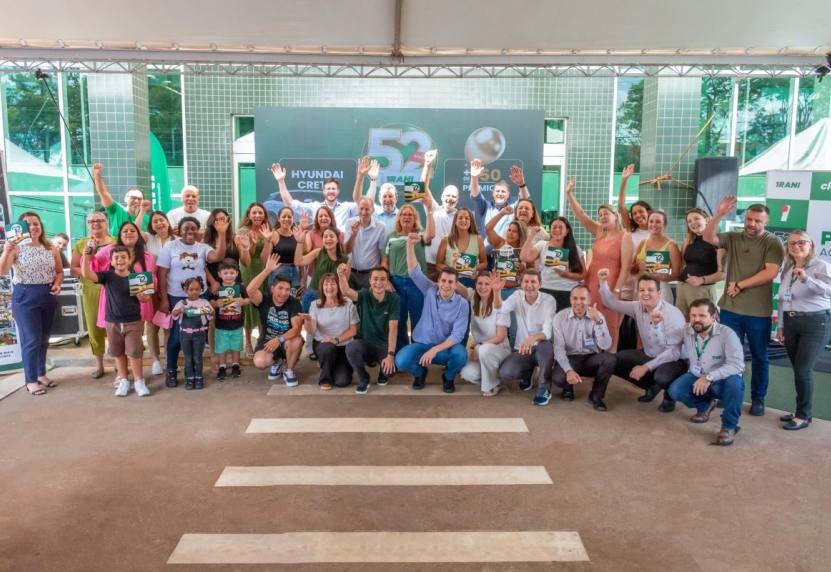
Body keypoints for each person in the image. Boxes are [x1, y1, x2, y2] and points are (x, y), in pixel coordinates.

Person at [703, 197, 784, 416]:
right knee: (728, 355)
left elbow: (770, 272)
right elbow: (708, 237)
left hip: (758, 313)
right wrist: (718, 214)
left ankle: (758, 398)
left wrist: (739, 284)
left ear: (765, 222)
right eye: (749, 219)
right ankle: (729, 393)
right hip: (730, 310)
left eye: (758, 221)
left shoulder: (773, 242)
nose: (752, 224)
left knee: (759, 356)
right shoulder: (733, 237)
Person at [598, 270, 687, 411]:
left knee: (662, 377)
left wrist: (646, 367)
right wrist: (603, 283)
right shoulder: (637, 306)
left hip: (674, 359)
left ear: (659, 293)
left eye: (650, 290)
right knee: (614, 360)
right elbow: (611, 303)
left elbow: (674, 352)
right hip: (650, 353)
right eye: (642, 290)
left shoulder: (673, 314)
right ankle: (652, 386)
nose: (645, 293)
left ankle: (669, 398)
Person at [157, 216, 226, 388]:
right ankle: (171, 370)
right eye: (186, 228)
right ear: (179, 230)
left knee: (197, 334)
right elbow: (162, 274)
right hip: (177, 297)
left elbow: (217, 256)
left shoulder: (202, 248)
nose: (190, 231)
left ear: (198, 231)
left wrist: (222, 234)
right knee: (176, 336)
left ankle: (195, 373)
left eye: (193, 228)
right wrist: (164, 298)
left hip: (200, 298)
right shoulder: (170, 247)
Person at [395, 234, 469, 392]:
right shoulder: (430, 289)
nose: (446, 285)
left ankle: (448, 377)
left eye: (450, 282)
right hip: (423, 344)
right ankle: (420, 373)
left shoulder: (462, 304)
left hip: (445, 348)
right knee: (401, 361)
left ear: (456, 285)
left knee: (461, 356)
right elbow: (414, 271)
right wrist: (409, 245)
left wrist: (435, 350)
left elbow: (458, 335)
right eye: (443, 281)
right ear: (438, 281)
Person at [567, 177, 633, 351]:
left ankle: (609, 359)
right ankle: (589, 354)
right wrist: (569, 194)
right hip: (590, 283)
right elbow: (581, 214)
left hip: (610, 286)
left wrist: (616, 291)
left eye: (606, 214)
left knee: (609, 321)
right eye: (600, 214)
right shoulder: (599, 232)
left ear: (615, 216)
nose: (603, 217)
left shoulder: (624, 236)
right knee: (588, 318)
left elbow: (626, 267)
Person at [668, 299, 745, 446]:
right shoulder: (687, 329)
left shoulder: (727, 334)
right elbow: (666, 341)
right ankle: (705, 406)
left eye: (702, 316)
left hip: (723, 378)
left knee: (735, 385)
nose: (697, 320)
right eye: (693, 315)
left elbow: (737, 365)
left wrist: (709, 377)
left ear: (713, 316)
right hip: (697, 375)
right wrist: (657, 324)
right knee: (675, 391)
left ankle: (729, 426)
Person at [1, 211, 62, 395]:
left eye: (36, 223)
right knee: (32, 340)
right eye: (28, 224)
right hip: (25, 295)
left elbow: (59, 271)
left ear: (40, 226)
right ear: (21, 229)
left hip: (47, 294)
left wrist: (58, 284)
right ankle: (30, 380)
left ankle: (41, 373)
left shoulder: (50, 247)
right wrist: (6, 251)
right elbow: (2, 271)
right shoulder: (16, 248)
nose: (33, 227)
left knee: (44, 339)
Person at [775, 230, 831, 431]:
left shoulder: (821, 265)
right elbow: (783, 300)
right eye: (791, 244)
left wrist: (807, 279)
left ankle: (803, 415)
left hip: (815, 323)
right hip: (791, 324)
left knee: (803, 370)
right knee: (799, 371)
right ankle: (800, 410)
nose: (796, 246)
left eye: (801, 242)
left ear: (811, 245)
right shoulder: (788, 269)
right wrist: (780, 326)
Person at [81, 245, 151, 397]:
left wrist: (142, 296)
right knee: (118, 352)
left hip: (133, 321)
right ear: (111, 261)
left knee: (134, 352)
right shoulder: (108, 276)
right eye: (116, 258)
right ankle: (124, 381)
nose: (120, 260)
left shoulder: (137, 277)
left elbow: (146, 298)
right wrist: (87, 257)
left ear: (129, 260)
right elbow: (87, 273)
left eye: (123, 257)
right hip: (112, 322)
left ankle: (139, 381)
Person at [547, 286, 615, 411]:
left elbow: (606, 346)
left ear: (589, 300)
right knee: (558, 378)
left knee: (610, 359)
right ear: (570, 299)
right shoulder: (559, 317)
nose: (578, 302)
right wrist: (568, 370)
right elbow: (558, 348)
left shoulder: (597, 315)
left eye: (583, 298)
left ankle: (596, 395)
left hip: (591, 358)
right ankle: (568, 388)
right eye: (575, 298)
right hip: (570, 358)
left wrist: (598, 323)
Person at [382, 197, 435, 352]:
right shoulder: (391, 236)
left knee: (418, 319)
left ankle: (418, 354)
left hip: (417, 283)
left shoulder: (420, 234)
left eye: (410, 215)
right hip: (396, 283)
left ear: (415, 219)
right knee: (399, 320)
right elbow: (384, 262)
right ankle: (402, 354)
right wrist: (386, 281)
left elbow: (430, 235)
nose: (406, 217)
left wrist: (429, 210)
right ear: (399, 218)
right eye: (403, 214)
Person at [338, 264, 399, 395]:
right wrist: (341, 276)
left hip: (384, 345)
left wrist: (390, 355)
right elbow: (346, 291)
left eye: (382, 279)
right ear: (370, 281)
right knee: (351, 347)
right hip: (365, 343)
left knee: (391, 371)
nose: (378, 282)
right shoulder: (364, 294)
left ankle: (382, 373)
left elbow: (393, 328)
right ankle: (363, 378)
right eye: (375, 279)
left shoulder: (394, 298)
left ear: (387, 281)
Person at [496, 269, 557, 400]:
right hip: (523, 347)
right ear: (521, 283)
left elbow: (547, 331)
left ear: (540, 284)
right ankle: (527, 373)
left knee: (546, 346)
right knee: (506, 373)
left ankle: (544, 389)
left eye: (533, 282)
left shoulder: (549, 300)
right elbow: (501, 309)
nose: (529, 285)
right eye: (526, 281)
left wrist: (533, 338)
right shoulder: (516, 295)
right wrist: (496, 292)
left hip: (542, 346)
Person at [247, 254, 304, 387]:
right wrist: (267, 270)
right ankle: (276, 362)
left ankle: (289, 370)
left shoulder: (294, 303)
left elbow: (296, 329)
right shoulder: (264, 300)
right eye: (280, 288)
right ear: (272, 288)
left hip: (285, 341)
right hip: (267, 341)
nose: (284, 293)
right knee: (260, 362)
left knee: (297, 340)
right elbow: (250, 290)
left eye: (287, 290)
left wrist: (279, 339)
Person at [70, 211, 114, 379]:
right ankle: (100, 365)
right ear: (87, 224)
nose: (96, 224)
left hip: (113, 289)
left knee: (114, 327)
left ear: (107, 222)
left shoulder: (117, 241)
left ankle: (119, 363)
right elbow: (74, 268)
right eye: (91, 221)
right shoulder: (82, 244)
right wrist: (88, 269)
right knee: (94, 327)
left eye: (100, 220)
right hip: (91, 290)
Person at [302, 273, 359, 389]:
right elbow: (311, 330)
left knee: (342, 382)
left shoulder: (348, 303)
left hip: (343, 345)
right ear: (321, 288)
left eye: (333, 283)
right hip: (323, 344)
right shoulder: (315, 304)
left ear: (338, 287)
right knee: (327, 348)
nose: (329, 287)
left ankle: (333, 365)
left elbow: (354, 330)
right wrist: (307, 321)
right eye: (326, 284)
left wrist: (336, 340)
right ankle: (325, 379)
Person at [458, 271, 511, 396]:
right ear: (475, 284)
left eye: (487, 284)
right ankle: (495, 376)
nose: (483, 287)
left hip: (498, 350)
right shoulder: (473, 297)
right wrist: (454, 265)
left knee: (485, 350)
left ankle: (492, 384)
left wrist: (478, 346)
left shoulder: (500, 305)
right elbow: (454, 282)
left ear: (492, 285)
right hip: (480, 351)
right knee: (467, 374)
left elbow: (500, 337)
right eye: (480, 283)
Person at [520, 215, 584, 310]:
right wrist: (531, 235)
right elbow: (524, 257)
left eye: (560, 227)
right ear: (550, 230)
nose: (557, 229)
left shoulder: (575, 249)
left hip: (567, 291)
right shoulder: (542, 245)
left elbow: (583, 275)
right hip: (545, 290)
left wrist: (567, 275)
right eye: (554, 227)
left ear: (567, 231)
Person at [272, 162, 357, 230]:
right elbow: (289, 203)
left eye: (333, 189)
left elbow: (367, 205)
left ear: (338, 191)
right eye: (328, 189)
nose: (331, 191)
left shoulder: (346, 207)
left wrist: (371, 180)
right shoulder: (315, 206)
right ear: (323, 191)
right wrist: (281, 181)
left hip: (342, 248)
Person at [469, 159, 530, 251]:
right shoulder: (486, 206)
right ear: (493, 193)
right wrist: (474, 177)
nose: (500, 193)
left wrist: (521, 184)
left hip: (506, 256)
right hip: (486, 256)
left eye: (503, 191)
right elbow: (475, 194)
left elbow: (524, 200)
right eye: (497, 191)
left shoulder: (512, 207)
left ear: (508, 194)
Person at [676, 208, 724, 318]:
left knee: (702, 326)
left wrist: (701, 280)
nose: (693, 222)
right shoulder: (687, 241)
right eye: (689, 221)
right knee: (683, 325)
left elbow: (723, 273)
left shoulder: (717, 241)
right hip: (683, 288)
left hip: (702, 290)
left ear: (707, 220)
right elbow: (682, 265)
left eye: (696, 218)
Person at [143, 210, 174, 375]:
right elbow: (131, 228)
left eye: (161, 220)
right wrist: (141, 211)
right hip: (152, 287)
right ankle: (155, 360)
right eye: (155, 221)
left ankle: (169, 358)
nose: (159, 224)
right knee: (152, 324)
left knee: (168, 325)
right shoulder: (148, 238)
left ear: (167, 221)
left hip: (172, 286)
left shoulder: (176, 239)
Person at [420, 150, 459, 280]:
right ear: (442, 197)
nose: (450, 198)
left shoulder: (462, 217)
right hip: (430, 266)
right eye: (448, 195)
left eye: (454, 196)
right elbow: (422, 188)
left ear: (457, 200)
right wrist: (427, 164)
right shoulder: (434, 209)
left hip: (451, 266)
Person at [239, 202, 272, 354]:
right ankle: (248, 342)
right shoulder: (243, 231)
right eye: (254, 213)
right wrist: (252, 242)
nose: (258, 215)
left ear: (264, 215)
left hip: (263, 270)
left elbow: (265, 258)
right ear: (249, 215)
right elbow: (248, 258)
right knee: (248, 306)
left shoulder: (267, 231)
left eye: (260, 213)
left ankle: (261, 339)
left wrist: (267, 240)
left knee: (262, 305)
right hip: (249, 269)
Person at [209, 259, 250, 380]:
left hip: (237, 323)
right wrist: (216, 304)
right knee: (221, 347)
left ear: (237, 273)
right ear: (219, 274)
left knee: (236, 346)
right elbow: (210, 301)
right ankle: (222, 366)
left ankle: (235, 365)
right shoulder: (218, 288)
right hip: (221, 324)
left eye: (232, 273)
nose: (229, 276)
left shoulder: (240, 287)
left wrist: (242, 301)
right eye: (225, 273)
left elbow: (248, 299)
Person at [171, 277, 214, 390]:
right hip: (184, 335)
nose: (194, 292)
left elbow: (211, 315)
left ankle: (199, 377)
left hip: (199, 334)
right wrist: (180, 310)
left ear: (201, 290)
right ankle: (189, 378)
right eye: (191, 289)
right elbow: (173, 315)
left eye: (197, 289)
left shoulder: (204, 302)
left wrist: (209, 310)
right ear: (185, 290)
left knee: (198, 357)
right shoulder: (182, 303)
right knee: (188, 357)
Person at [295, 227, 349, 312]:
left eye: (331, 236)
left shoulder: (346, 260)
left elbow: (345, 286)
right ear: (322, 240)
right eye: (325, 236)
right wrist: (299, 242)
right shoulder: (318, 252)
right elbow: (298, 261)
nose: (328, 239)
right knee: (309, 323)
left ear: (337, 240)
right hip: (313, 295)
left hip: (332, 298)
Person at [632, 210, 681, 303]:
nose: (654, 224)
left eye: (658, 222)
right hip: (641, 290)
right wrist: (635, 265)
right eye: (651, 221)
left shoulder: (671, 245)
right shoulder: (643, 243)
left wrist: (651, 269)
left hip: (660, 292)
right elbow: (633, 268)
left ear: (665, 225)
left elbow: (677, 274)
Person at [92, 163, 150, 234]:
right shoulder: (116, 209)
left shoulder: (148, 219)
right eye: (133, 198)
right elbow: (103, 193)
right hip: (117, 245)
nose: (136, 201)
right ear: (125, 199)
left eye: (139, 199)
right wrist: (97, 174)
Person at [435, 208, 487, 287]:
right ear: (455, 221)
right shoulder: (445, 240)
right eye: (460, 218)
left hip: (471, 281)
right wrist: (451, 270)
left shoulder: (478, 239)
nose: (464, 220)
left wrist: (475, 268)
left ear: (471, 221)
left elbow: (484, 263)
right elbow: (438, 264)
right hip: (451, 281)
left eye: (467, 218)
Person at [344, 197, 388, 290]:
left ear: (373, 210)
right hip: (351, 273)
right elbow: (347, 250)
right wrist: (353, 235)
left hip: (371, 275)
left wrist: (385, 279)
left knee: (368, 303)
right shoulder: (350, 223)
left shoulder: (381, 227)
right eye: (361, 208)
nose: (363, 212)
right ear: (357, 209)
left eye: (367, 209)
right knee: (351, 303)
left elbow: (383, 256)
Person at [263, 206, 301, 290]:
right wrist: (267, 240)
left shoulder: (296, 235)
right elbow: (265, 258)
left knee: (294, 300)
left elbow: (300, 259)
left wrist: (302, 279)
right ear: (279, 219)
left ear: (293, 219)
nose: (286, 219)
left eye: (289, 217)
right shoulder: (273, 234)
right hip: (277, 273)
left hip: (294, 273)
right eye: (284, 216)